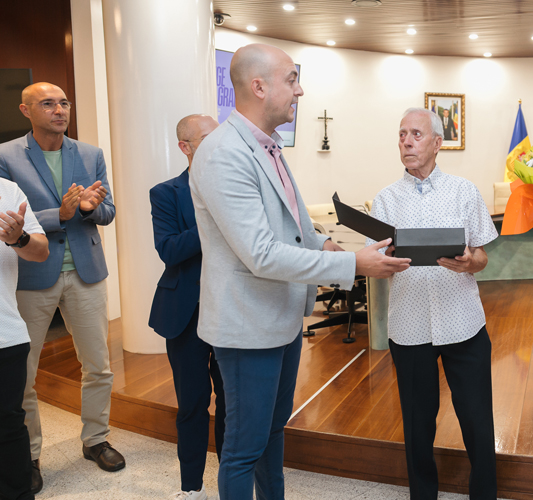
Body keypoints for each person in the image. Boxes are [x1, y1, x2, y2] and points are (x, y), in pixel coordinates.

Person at [189, 43, 410, 500]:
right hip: (247, 326)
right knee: (243, 449)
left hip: (281, 319)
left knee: (272, 434)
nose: (300, 90)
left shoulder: (267, 146)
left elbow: (294, 227)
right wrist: (353, 263)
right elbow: (261, 254)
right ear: (258, 86)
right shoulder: (223, 153)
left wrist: (328, 245)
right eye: (292, 80)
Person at [367, 108, 498, 500]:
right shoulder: (385, 200)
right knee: (417, 425)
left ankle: (484, 494)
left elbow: (482, 257)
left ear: (438, 143)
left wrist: (469, 262)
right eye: (402, 134)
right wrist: (383, 264)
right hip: (409, 328)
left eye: (416, 134)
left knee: (477, 420)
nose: (407, 141)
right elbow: (375, 266)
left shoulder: (464, 191)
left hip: (463, 323)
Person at [0, 82, 121, 494]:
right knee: (24, 374)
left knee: (98, 364)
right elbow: (10, 218)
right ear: (26, 110)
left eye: (64, 103)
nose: (59, 110)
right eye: (48, 103)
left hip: (86, 272)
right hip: (31, 274)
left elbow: (108, 211)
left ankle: (96, 439)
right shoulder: (7, 156)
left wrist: (88, 208)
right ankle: (30, 454)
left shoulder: (89, 153)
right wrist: (62, 213)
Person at [149, 114, 222, 500]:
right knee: (192, 404)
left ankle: (231, 482)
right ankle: (191, 487)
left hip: (231, 309)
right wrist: (211, 221)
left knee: (231, 403)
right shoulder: (165, 193)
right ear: (185, 147)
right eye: (208, 138)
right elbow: (169, 249)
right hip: (185, 314)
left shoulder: (238, 185)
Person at [0, 179, 48, 500]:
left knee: (9, 426)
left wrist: (18, 238)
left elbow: (41, 251)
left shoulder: (8, 190)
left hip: (5, 334)